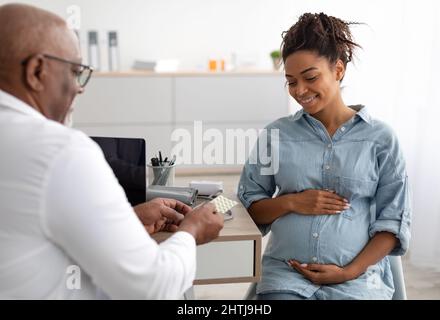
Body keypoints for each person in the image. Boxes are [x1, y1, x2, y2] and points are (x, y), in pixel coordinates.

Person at [0, 4, 223, 299]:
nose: (79, 88)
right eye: (76, 71)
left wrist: (126, 221)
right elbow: (151, 285)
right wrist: (192, 231)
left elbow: (29, 237)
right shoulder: (61, 151)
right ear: (37, 71)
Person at [238, 12, 411, 300]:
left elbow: (393, 221)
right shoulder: (276, 135)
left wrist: (348, 272)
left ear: (339, 70)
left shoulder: (381, 138)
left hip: (358, 280)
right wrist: (292, 202)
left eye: (310, 77)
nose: (299, 91)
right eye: (291, 81)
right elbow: (249, 209)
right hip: (286, 276)